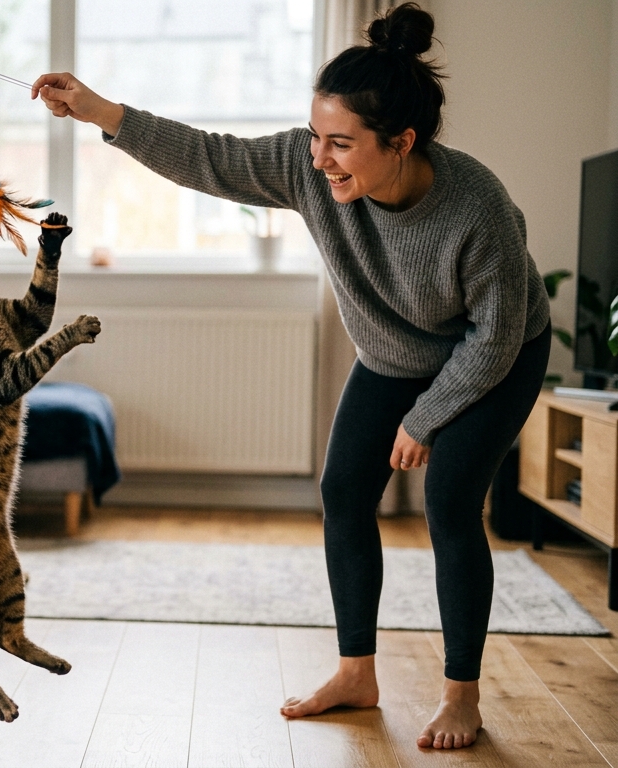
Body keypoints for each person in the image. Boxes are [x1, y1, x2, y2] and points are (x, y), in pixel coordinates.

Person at [32, 2, 551, 751]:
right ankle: (355, 673)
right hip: (394, 354)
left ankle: (461, 694)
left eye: (341, 144)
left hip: (495, 355)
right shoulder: (309, 170)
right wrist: (98, 111)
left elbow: (495, 337)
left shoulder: (478, 208)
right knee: (344, 491)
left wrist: (426, 417)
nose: (319, 157)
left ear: (401, 143)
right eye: (315, 136)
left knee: (448, 498)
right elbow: (207, 156)